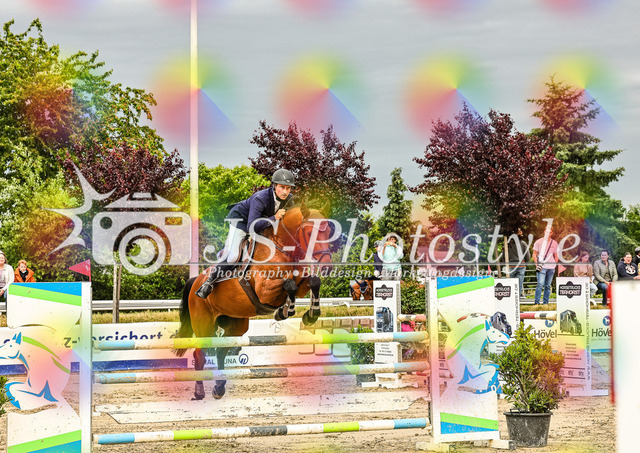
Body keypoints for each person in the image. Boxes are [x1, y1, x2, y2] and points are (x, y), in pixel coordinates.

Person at [196, 168, 296, 299]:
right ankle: (209, 282)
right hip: (241, 222)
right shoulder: (260, 198)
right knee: (233, 256)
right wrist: (274, 218)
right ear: (274, 186)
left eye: (288, 188)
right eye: (282, 187)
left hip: (263, 224)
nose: (285, 192)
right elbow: (251, 226)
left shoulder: (289, 199)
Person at [532, 226, 558, 305]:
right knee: (540, 284)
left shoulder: (554, 243)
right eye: (546, 232)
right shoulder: (538, 242)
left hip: (551, 267)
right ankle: (536, 303)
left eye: (549, 232)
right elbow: (534, 254)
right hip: (542, 267)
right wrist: (537, 265)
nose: (548, 233)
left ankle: (545, 303)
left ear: (552, 233)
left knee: (548, 286)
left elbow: (556, 255)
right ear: (544, 232)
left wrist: (554, 265)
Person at [507, 227, 530, 298]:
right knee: (519, 284)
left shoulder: (508, 244)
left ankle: (511, 298)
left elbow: (504, 255)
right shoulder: (523, 243)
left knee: (510, 283)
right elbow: (528, 255)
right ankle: (517, 298)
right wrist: (525, 263)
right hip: (521, 266)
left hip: (511, 266)